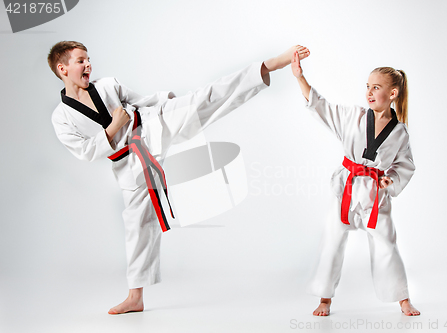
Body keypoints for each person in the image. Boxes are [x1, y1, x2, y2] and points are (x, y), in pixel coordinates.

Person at [48, 41, 310, 314]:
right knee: (136, 224)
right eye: (81, 61)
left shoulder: (107, 85)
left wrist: (171, 103)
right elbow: (86, 151)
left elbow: (141, 102)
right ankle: (135, 297)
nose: (88, 64)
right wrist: (114, 127)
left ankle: (270, 64)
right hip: (128, 162)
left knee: (205, 97)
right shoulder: (61, 117)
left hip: (151, 126)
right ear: (62, 68)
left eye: (88, 59)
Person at [290, 51, 420, 316]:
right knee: (332, 240)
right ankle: (325, 298)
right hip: (346, 191)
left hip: (375, 195)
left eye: (376, 87)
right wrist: (300, 77)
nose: (369, 92)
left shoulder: (399, 132)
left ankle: (402, 298)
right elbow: (322, 107)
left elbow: (404, 165)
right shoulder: (354, 116)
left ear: (393, 94)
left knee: (386, 244)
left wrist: (389, 179)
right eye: (367, 87)